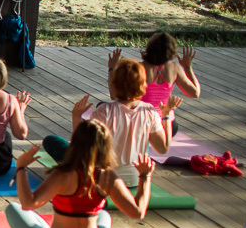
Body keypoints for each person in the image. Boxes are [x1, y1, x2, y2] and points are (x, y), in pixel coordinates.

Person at [8, 121, 154, 228]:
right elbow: (138, 212)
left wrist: (21, 168)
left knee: (13, 208)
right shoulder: (108, 177)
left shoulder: (62, 174)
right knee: (104, 215)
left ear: (74, 142)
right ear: (106, 147)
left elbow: (28, 204)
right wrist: (145, 176)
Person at [47, 59, 177, 186]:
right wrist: (165, 116)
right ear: (143, 84)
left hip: (104, 178)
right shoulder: (150, 111)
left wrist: (76, 117)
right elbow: (163, 148)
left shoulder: (104, 111)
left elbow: (81, 147)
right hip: (137, 178)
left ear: (115, 84)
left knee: (51, 141)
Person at [106, 33, 201, 128]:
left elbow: (114, 95)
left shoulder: (139, 68)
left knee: (102, 106)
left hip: (143, 123)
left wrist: (112, 69)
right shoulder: (175, 67)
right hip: (167, 125)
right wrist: (188, 67)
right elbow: (195, 93)